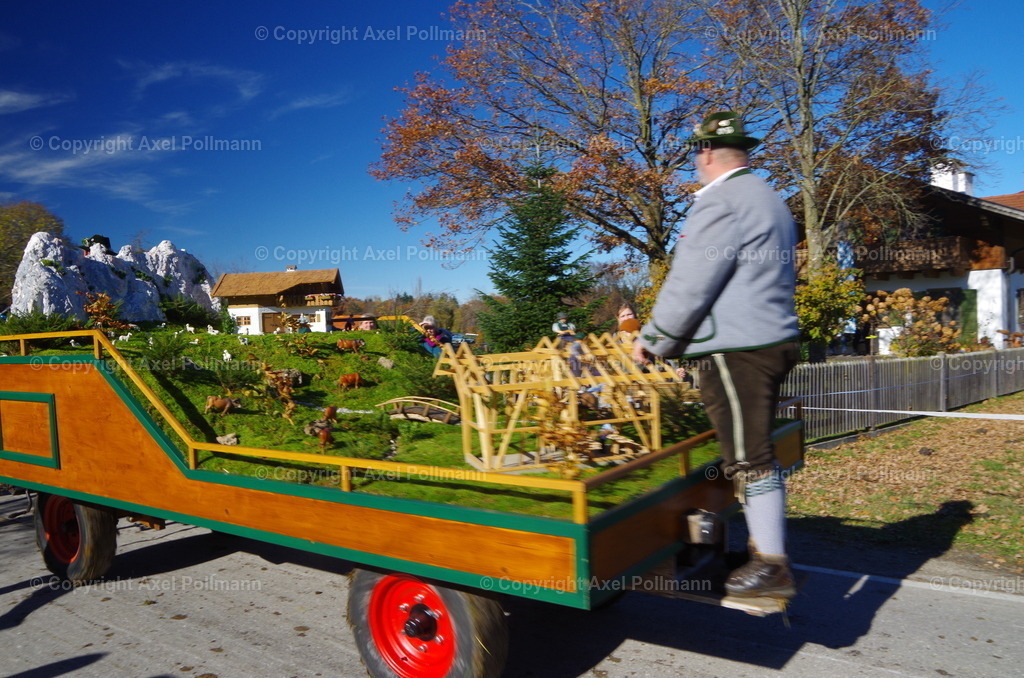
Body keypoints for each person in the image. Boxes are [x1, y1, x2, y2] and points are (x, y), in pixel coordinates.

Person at [632, 111, 800, 599]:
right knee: (751, 449)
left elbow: (691, 282)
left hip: (738, 348)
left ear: (705, 152)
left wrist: (655, 337)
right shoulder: (770, 199)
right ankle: (760, 549)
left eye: (695, 154)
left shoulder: (721, 200)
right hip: (772, 338)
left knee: (749, 456)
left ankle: (772, 567)